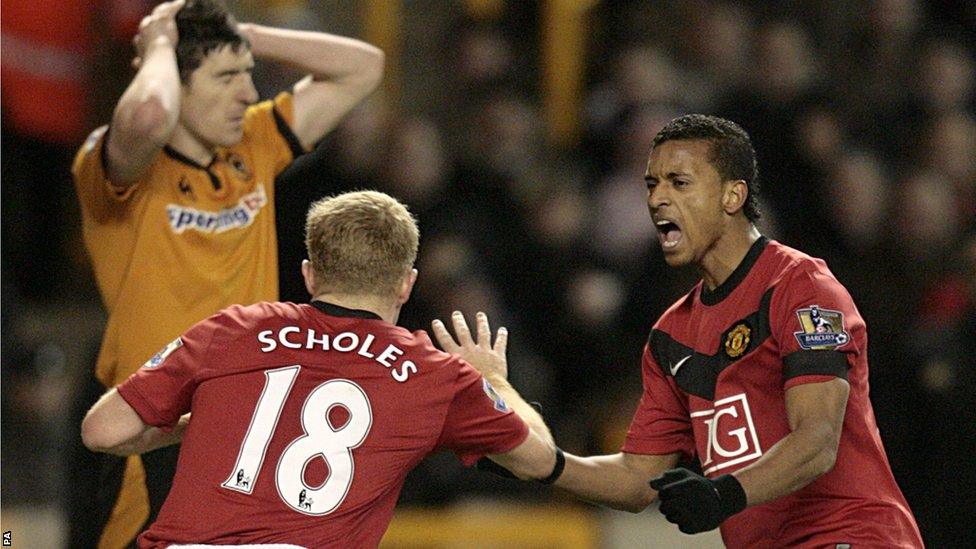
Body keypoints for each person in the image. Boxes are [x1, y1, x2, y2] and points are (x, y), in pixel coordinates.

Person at [438, 115, 924, 548]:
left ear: (733, 195)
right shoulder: (672, 335)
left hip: (853, 534)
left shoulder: (803, 288)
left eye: (679, 182)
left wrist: (722, 494)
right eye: (651, 183)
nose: (657, 198)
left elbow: (818, 441)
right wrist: (543, 461)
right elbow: (636, 479)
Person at [81, 190, 564, 548]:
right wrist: (493, 378)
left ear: (310, 273)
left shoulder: (233, 328)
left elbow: (102, 431)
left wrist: (195, 427)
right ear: (406, 284)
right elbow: (541, 460)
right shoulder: (434, 373)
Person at [70, 0, 385, 545]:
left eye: (248, 76)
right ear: (176, 82)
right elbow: (147, 115)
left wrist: (245, 37)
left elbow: (365, 67)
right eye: (225, 78)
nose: (248, 93)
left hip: (248, 428)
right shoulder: (118, 164)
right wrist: (162, 44)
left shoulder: (253, 143)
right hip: (153, 431)